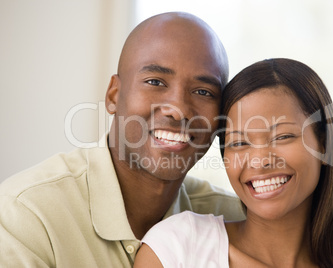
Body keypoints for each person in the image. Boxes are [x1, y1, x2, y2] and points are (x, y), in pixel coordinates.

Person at [0, 12, 245, 267]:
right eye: (155, 81)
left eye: (203, 91)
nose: (178, 109)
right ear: (114, 96)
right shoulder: (28, 215)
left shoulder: (234, 220)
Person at [133, 58, 333, 268]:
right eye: (238, 143)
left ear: (325, 144)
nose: (259, 162)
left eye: (282, 136)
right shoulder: (178, 246)